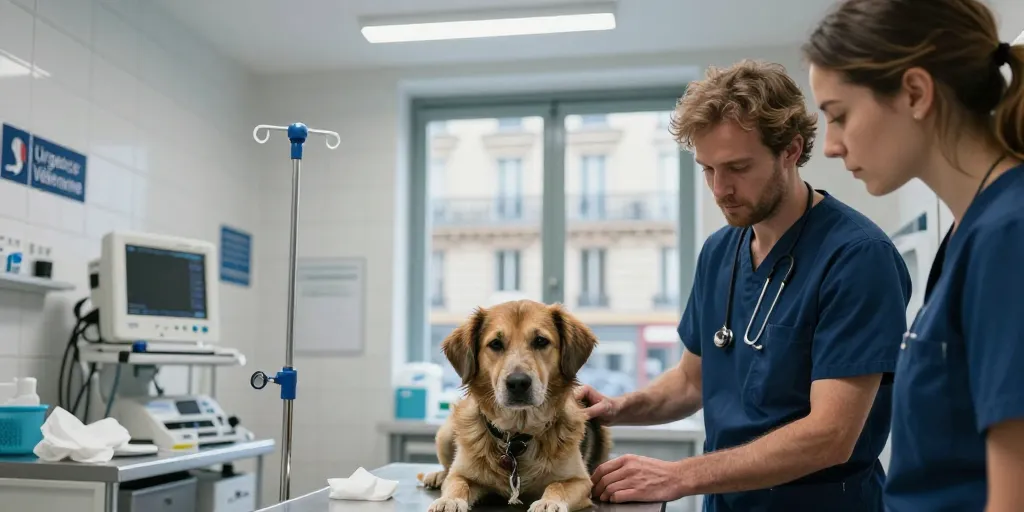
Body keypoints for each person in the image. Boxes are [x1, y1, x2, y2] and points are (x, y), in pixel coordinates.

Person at [576, 59, 913, 511]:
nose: (720, 189)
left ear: (790, 150)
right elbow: (691, 382)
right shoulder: (719, 251)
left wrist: (678, 476)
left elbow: (831, 436)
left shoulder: (857, 257)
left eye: (737, 167)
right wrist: (619, 407)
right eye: (708, 169)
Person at [802, 0, 1024, 510]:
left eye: (839, 116)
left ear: (916, 93)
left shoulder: (1008, 236)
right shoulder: (971, 231)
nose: (831, 146)